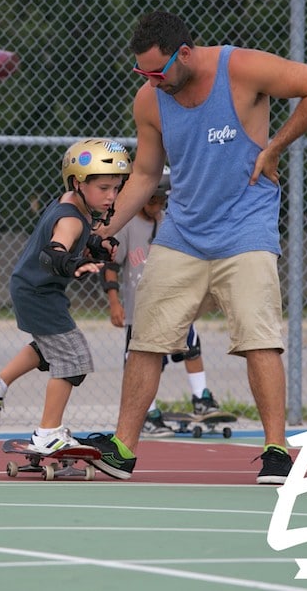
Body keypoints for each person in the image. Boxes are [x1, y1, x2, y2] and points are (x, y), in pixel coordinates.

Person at [79, 10, 307, 485]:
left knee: (258, 338)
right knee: (146, 338)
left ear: (184, 53)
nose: (151, 81)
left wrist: (275, 146)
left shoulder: (241, 68)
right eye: (142, 73)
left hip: (245, 230)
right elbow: (145, 174)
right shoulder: (151, 99)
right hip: (182, 233)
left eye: (157, 71)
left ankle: (276, 451)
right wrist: (103, 231)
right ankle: (122, 449)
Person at [0, 138, 131, 453]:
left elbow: (74, 236)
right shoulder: (71, 218)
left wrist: (96, 245)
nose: (111, 196)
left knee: (52, 348)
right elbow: (54, 250)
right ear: (78, 183)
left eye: (116, 188)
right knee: (74, 359)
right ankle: (47, 433)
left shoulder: (73, 202)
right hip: (38, 293)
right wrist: (74, 263)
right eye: (103, 188)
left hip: (33, 289)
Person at [101, 166, 220, 438]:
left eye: (162, 202)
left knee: (191, 344)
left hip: (173, 302)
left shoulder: (170, 221)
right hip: (139, 309)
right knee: (141, 359)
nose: (157, 207)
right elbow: (111, 266)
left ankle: (201, 397)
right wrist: (114, 302)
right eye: (152, 200)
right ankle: (148, 414)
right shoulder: (127, 225)